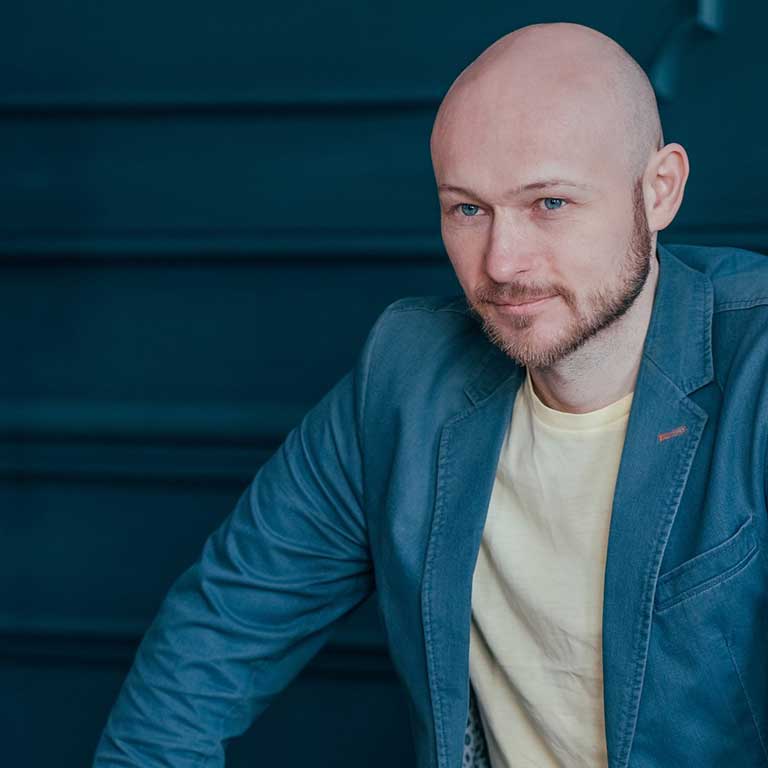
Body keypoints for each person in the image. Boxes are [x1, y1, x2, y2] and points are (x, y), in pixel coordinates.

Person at [93, 21, 768, 768]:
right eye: (467, 209)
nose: (502, 263)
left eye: (549, 203)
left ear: (660, 188)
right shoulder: (407, 376)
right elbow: (214, 638)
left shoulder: (757, 371)